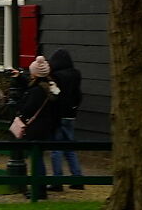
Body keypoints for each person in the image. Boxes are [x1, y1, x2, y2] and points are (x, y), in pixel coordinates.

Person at [9, 54, 65, 180]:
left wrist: (19, 103)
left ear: (35, 74)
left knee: (36, 158)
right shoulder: (50, 88)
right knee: (38, 156)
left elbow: (27, 108)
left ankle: (39, 187)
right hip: (46, 127)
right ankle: (40, 186)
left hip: (36, 128)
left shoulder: (36, 91)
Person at [47, 48, 86, 187]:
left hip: (58, 114)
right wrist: (74, 107)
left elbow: (54, 96)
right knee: (69, 147)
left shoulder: (56, 76)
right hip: (71, 114)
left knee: (56, 148)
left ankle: (57, 180)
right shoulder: (76, 74)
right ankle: (77, 178)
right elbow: (78, 95)